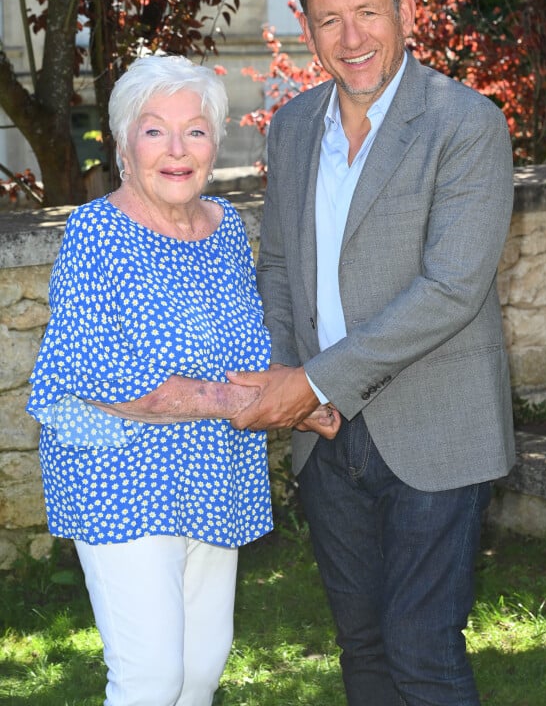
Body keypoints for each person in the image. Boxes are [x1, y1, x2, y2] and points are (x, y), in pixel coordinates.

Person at [227, 0, 516, 706]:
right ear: (307, 29)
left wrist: (313, 382)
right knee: (361, 646)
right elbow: (281, 270)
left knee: (422, 651)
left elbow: (451, 289)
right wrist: (298, 386)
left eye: (367, 12)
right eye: (329, 20)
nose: (351, 38)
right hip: (325, 439)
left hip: (435, 429)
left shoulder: (467, 124)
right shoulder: (291, 130)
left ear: (407, 11)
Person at [26, 54, 332, 706]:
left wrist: (301, 402)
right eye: (155, 129)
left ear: (214, 143)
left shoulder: (225, 231)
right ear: (124, 146)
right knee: (150, 676)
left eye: (195, 130)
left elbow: (245, 352)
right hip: (121, 477)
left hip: (211, 472)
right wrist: (230, 400)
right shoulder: (95, 233)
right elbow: (99, 374)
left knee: (200, 672)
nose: (177, 148)